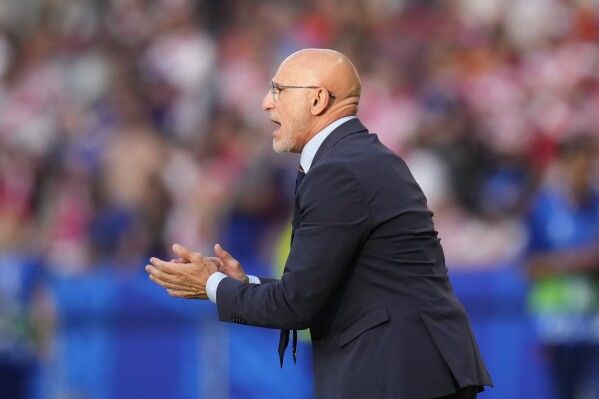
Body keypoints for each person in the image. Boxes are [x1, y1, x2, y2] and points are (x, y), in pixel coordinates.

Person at [146, 49, 493, 399]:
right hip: (410, 370)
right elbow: (335, 288)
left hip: (396, 375)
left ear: (317, 100)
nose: (267, 103)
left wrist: (212, 286)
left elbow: (296, 305)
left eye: (279, 90)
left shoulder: (338, 171)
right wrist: (245, 283)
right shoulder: (358, 157)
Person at [526, 135, 599, 399]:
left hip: (592, 322)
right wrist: (573, 262)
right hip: (556, 324)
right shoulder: (545, 209)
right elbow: (529, 266)